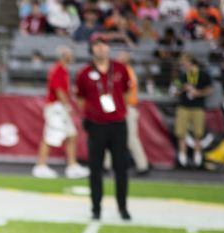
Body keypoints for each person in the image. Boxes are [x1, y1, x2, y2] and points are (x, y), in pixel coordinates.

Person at [74, 33, 132, 221]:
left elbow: (126, 93)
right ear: (92, 49)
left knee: (121, 168)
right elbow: (81, 98)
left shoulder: (121, 69)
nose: (100, 48)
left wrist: (118, 112)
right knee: (95, 169)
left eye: (103, 45)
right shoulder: (84, 73)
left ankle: (122, 207)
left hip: (117, 124)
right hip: (96, 125)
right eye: (97, 45)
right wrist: (92, 114)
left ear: (108, 47)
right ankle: (95, 208)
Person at [33, 45, 89, 180]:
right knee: (50, 137)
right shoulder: (58, 69)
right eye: (70, 54)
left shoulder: (63, 70)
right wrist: (67, 106)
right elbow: (58, 90)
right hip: (56, 108)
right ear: (64, 56)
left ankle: (72, 166)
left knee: (72, 135)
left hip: (60, 107)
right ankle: (40, 166)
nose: (72, 56)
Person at [173, 52, 213, 167]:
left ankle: (197, 156)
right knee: (181, 133)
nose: (182, 64)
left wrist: (198, 93)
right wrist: (181, 89)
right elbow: (175, 90)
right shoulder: (182, 75)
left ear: (190, 62)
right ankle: (182, 157)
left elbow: (210, 90)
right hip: (183, 106)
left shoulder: (204, 74)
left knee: (198, 133)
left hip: (198, 107)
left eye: (184, 62)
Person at [117, 50, 150, 175]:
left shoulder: (127, 72)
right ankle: (105, 164)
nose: (118, 58)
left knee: (131, 138)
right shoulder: (121, 71)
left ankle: (143, 166)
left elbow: (125, 92)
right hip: (122, 107)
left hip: (127, 108)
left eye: (121, 56)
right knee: (109, 136)